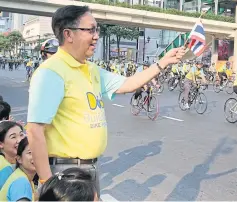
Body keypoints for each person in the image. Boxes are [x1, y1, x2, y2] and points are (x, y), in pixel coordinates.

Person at [26, 5, 185, 198]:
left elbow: (128, 83)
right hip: (65, 173)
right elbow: (35, 130)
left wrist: (163, 62)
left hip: (89, 169)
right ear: (68, 34)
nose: (96, 36)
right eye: (90, 30)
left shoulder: (91, 69)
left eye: (97, 30)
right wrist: (47, 182)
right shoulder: (51, 73)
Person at [0, 137, 36, 201]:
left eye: (40, 152)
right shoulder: (22, 182)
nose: (36, 156)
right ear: (19, 159)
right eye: (30, 152)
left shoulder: (25, 179)